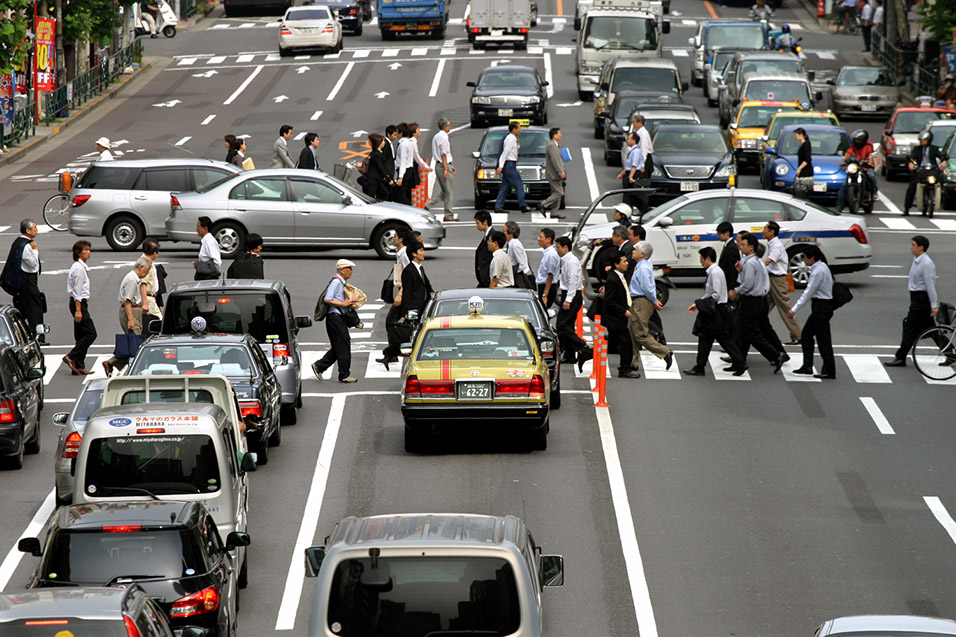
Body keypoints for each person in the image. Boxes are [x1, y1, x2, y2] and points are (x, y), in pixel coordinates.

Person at [728, 233, 788, 373]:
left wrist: (736, 291)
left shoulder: (750, 262)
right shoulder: (757, 261)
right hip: (757, 300)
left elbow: (748, 284)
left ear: (751, 247)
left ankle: (776, 355)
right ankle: (739, 362)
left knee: (750, 333)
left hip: (751, 301)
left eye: (743, 245)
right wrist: (740, 271)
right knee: (743, 332)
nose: (741, 247)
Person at [685, 247, 747, 376]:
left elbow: (716, 294)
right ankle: (700, 366)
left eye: (701, 259)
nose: (701, 262)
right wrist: (697, 304)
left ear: (708, 258)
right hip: (717, 309)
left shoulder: (715, 272)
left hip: (715, 310)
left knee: (713, 338)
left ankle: (739, 362)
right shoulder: (714, 271)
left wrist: (701, 304)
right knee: (710, 338)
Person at [885, 235, 938, 367]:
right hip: (916, 298)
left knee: (910, 328)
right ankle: (951, 353)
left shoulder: (926, 263)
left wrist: (934, 305)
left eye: (913, 245)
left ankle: (900, 356)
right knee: (931, 329)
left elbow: (930, 285)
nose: (911, 247)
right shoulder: (917, 260)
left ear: (921, 248)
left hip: (921, 300)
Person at [788, 245, 835, 379]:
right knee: (807, 335)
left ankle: (829, 370)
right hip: (823, 306)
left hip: (821, 307)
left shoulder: (817, 272)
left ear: (812, 258)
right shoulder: (822, 267)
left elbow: (808, 292)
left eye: (805, 257)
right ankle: (807, 366)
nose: (803, 260)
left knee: (823, 339)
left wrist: (794, 309)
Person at [627, 241, 673, 372]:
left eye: (635, 250)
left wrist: (654, 301)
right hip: (638, 301)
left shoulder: (642, 268)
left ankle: (665, 352)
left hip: (642, 302)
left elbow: (647, 288)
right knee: (632, 331)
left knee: (640, 334)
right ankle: (633, 362)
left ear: (642, 254)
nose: (633, 251)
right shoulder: (642, 266)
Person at [312, 260, 359, 383]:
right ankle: (344, 375)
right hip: (335, 318)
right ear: (342, 270)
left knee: (338, 346)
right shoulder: (337, 282)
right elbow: (328, 299)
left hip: (336, 318)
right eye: (349, 268)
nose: (352, 271)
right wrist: (343, 303)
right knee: (343, 345)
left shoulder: (340, 282)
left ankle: (320, 366)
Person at [103, 258, 152, 376]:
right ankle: (116, 363)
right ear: (141, 268)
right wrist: (131, 319)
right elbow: (128, 301)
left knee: (134, 341)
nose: (147, 273)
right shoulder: (132, 280)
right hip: (131, 311)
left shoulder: (134, 278)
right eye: (147, 271)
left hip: (135, 310)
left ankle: (113, 363)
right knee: (135, 342)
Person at [0, 219, 45, 340]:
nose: (37, 230)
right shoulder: (26, 245)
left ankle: (19, 332)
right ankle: (37, 335)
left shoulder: (20, 242)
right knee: (35, 307)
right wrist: (35, 250)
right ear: (28, 230)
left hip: (24, 280)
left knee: (24, 307)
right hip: (28, 279)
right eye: (35, 228)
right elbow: (32, 263)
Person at [378, 227, 414, 368]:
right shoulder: (401, 253)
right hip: (403, 292)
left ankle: (398, 351)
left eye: (395, 236)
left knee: (391, 322)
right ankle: (394, 353)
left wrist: (400, 294)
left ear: (401, 239)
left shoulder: (404, 253)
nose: (393, 238)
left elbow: (408, 275)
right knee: (395, 322)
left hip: (404, 294)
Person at [554, 237, 592, 370]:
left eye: (558, 247)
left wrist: (568, 300)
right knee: (568, 325)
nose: (557, 250)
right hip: (570, 294)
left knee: (562, 325)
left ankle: (584, 347)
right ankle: (570, 355)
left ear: (565, 247)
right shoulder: (566, 260)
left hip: (572, 294)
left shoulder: (571, 261)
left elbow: (572, 281)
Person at [763, 221, 801, 344]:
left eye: (765, 229)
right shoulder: (772, 244)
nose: (763, 231)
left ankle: (799, 336)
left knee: (785, 309)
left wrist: (754, 267)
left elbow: (769, 261)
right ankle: (755, 329)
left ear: (772, 232)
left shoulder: (776, 245)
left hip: (777, 280)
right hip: (772, 279)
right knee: (763, 307)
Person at [604, 254, 640, 378]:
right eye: (624, 261)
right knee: (626, 343)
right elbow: (609, 301)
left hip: (618, 317)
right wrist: (623, 311)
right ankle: (624, 370)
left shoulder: (618, 277)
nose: (627, 263)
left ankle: (586, 354)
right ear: (617, 265)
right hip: (615, 318)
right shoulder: (613, 279)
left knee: (612, 345)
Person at [63, 241, 95, 375]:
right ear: (78, 252)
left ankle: (78, 364)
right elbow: (77, 290)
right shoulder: (78, 268)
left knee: (80, 334)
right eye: (86, 250)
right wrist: (78, 310)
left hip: (80, 302)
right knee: (91, 333)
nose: (89, 252)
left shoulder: (81, 267)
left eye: (89, 249)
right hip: (78, 303)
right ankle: (71, 356)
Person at [903, 130, 946, 216]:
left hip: (932, 170)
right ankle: (907, 208)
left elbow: (941, 156)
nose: (922, 141)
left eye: (924, 140)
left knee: (941, 183)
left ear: (929, 140)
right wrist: (911, 163)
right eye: (921, 140)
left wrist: (943, 161)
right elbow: (912, 157)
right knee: (911, 187)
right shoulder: (917, 149)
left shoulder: (934, 149)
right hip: (920, 170)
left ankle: (941, 201)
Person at [835, 129, 878, 212]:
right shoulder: (853, 146)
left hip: (867, 166)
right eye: (855, 139)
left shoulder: (868, 146)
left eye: (857, 139)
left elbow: (871, 155)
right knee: (845, 184)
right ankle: (839, 205)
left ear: (863, 139)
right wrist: (843, 161)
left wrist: (870, 161)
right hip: (856, 167)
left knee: (871, 176)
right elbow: (848, 153)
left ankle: (874, 193)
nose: (856, 141)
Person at [495, 121, 530, 214]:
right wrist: (500, 166)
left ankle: (498, 206)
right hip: (509, 164)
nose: (520, 130)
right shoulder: (510, 139)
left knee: (505, 186)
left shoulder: (513, 138)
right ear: (514, 129)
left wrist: (517, 143)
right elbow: (505, 152)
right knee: (519, 184)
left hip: (510, 164)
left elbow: (512, 151)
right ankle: (522, 205)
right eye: (519, 128)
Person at [426, 117, 456, 221]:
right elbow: (444, 154)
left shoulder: (436, 136)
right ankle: (448, 214)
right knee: (449, 191)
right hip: (443, 165)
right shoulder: (444, 137)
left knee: (444, 190)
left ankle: (428, 205)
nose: (450, 127)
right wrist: (447, 168)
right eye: (449, 125)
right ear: (446, 126)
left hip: (439, 165)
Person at [396, 123, 431, 205]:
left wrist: (400, 176)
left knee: (403, 195)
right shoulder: (409, 142)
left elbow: (403, 161)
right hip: (409, 169)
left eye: (397, 132)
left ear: (401, 133)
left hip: (405, 170)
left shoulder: (404, 144)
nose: (395, 133)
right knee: (408, 192)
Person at [540, 127, 566, 219]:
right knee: (559, 192)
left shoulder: (555, 145)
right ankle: (543, 204)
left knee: (555, 192)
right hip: (554, 174)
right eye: (559, 133)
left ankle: (554, 213)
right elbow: (554, 161)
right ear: (554, 136)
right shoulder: (552, 145)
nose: (561, 135)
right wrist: (560, 171)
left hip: (555, 174)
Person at [139, 239, 163, 333]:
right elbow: (143, 284)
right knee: (159, 322)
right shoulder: (145, 264)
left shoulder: (146, 262)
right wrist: (145, 303)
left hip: (150, 297)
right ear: (154, 253)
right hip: (148, 298)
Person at [617, 132, 644, 210]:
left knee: (630, 196)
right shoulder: (632, 151)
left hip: (633, 174)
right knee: (628, 195)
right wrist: (622, 174)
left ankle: (631, 210)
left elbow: (634, 166)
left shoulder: (636, 152)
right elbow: (629, 166)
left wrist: (630, 176)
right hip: (629, 173)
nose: (627, 141)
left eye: (628, 139)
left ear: (634, 140)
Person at [504, 221, 534, 289]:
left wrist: (512, 273)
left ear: (511, 234)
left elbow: (522, 265)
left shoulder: (515, 245)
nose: (503, 234)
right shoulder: (510, 243)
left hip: (519, 277)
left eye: (504, 232)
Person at [536, 228, 560, 309]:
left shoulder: (551, 255)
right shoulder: (547, 253)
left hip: (547, 288)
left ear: (548, 240)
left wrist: (544, 295)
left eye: (541, 237)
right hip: (544, 287)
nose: (538, 239)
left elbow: (550, 276)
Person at [194, 216, 221, 281]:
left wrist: (212, 273)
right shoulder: (205, 241)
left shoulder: (209, 242)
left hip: (208, 278)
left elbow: (217, 261)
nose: (197, 229)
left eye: (198, 227)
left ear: (205, 228)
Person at [716, 221, 740, 289]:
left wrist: (731, 288)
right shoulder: (728, 245)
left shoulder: (731, 248)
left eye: (720, 234)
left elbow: (732, 270)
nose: (718, 236)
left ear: (727, 233)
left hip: (728, 284)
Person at [474, 210, 493, 288]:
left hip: (487, 279)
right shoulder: (487, 236)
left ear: (485, 222)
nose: (476, 225)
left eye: (477, 223)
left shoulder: (492, 237)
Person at [630, 114, 654, 179]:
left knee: (642, 180)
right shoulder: (639, 132)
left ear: (640, 123)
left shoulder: (643, 134)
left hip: (645, 159)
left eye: (634, 122)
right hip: (640, 158)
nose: (633, 124)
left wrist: (643, 164)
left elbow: (644, 148)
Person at [794, 128, 813, 198]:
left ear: (801, 134)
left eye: (796, 135)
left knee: (802, 193)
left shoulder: (806, 144)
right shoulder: (802, 144)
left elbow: (807, 159)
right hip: (803, 173)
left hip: (806, 173)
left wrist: (799, 168)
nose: (795, 138)